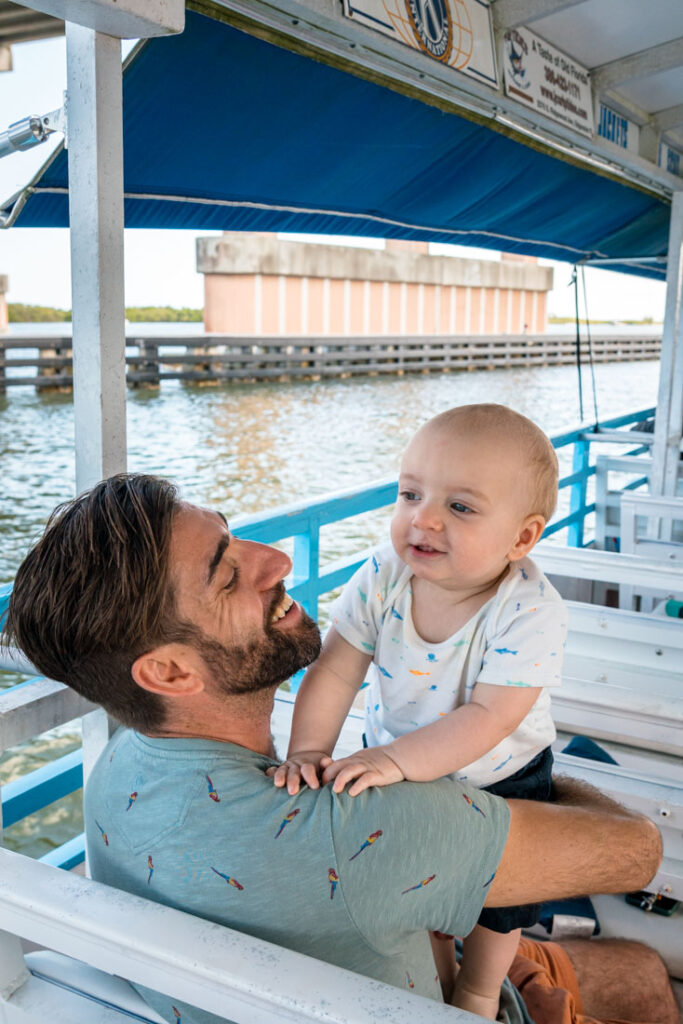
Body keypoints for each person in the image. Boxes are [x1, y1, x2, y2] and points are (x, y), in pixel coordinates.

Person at [1, 475, 665, 1024]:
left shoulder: (118, 768)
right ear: (170, 673)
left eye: (234, 535)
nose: (278, 559)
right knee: (641, 972)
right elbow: (638, 852)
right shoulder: (355, 827)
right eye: (227, 573)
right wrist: (517, 757)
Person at [273, 404, 566, 1019]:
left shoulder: (530, 610)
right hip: (396, 757)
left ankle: (481, 989)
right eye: (410, 493)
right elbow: (336, 666)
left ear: (521, 536)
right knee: (413, 885)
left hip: (500, 773)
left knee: (498, 904)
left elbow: (490, 716)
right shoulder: (384, 574)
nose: (423, 518)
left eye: (460, 507)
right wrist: (307, 749)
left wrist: (392, 759)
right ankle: (434, 972)